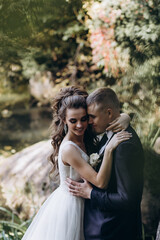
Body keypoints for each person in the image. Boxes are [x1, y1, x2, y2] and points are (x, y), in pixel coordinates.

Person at [21, 86, 131, 240]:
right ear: (64, 120)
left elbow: (109, 118)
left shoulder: (85, 133)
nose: (80, 125)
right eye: (73, 121)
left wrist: (126, 117)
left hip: (85, 203)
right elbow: (100, 182)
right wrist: (108, 150)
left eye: (84, 119)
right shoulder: (69, 150)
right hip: (70, 206)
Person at [67, 87, 144, 240]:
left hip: (114, 231)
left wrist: (91, 194)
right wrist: (125, 116)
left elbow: (128, 200)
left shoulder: (125, 146)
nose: (87, 122)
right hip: (102, 226)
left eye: (91, 117)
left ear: (109, 113)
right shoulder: (107, 133)